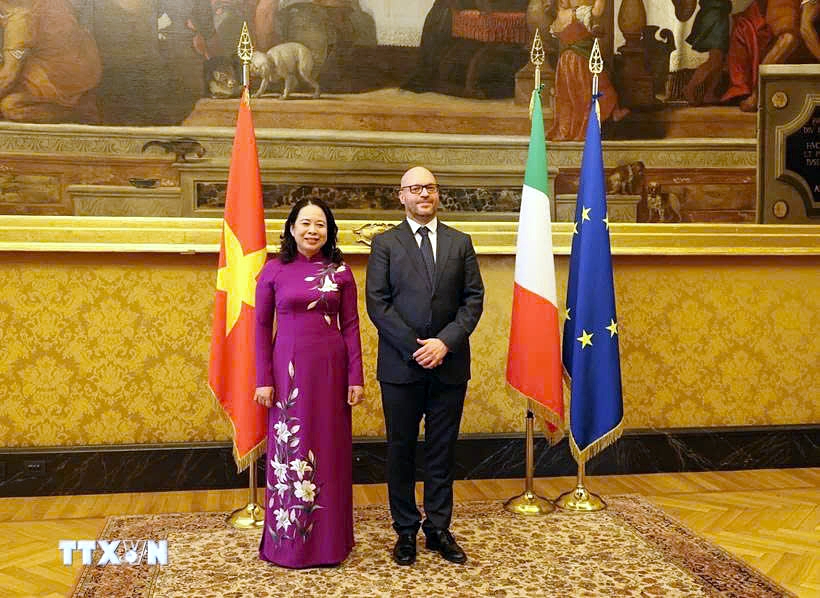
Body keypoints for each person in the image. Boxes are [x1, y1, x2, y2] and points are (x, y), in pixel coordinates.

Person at [366, 167, 485, 566]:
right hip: (401, 366)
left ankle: (438, 528)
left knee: (442, 449)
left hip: (449, 365)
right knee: (400, 449)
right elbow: (377, 304)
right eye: (415, 189)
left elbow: (473, 301)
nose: (423, 194)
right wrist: (417, 348)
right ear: (401, 196)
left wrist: (444, 344)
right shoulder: (384, 243)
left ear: (438, 194)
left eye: (430, 188)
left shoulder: (461, 242)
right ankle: (405, 530)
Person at [254, 198, 365, 568]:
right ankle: (288, 543)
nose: (312, 230)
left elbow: (351, 327)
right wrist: (263, 379)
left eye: (320, 224)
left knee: (329, 451)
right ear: (291, 228)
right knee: (292, 452)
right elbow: (259, 328)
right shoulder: (272, 270)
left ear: (329, 231)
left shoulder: (341, 272)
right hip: (288, 374)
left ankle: (331, 544)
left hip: (331, 374)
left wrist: (356, 377)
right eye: (305, 223)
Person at [0, 0, 102, 123]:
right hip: (83, 68)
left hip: (60, 81)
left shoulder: (21, 20)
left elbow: (9, 77)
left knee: (10, 107)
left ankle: (75, 113)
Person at [547, 0, 629, 140]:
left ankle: (573, 126)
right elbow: (597, 11)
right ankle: (611, 113)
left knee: (572, 94)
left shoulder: (557, 18)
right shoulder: (577, 13)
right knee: (597, 87)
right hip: (580, 59)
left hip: (565, 61)